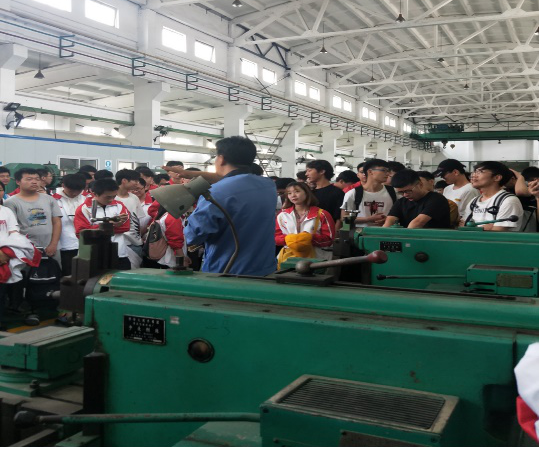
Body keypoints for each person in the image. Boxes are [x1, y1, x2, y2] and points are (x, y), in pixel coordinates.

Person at [177, 136, 277, 276]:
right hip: (265, 268)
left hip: (227, 270)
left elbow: (194, 236)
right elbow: (236, 179)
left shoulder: (214, 192)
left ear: (221, 159)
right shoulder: (268, 186)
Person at [74, 179, 131, 270]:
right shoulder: (84, 209)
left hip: (119, 253)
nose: (111, 200)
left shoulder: (119, 206)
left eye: (114, 196)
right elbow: (81, 233)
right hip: (93, 254)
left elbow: (126, 227)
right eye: (107, 197)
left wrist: (97, 228)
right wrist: (110, 225)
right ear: (95, 194)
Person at [5, 169, 63, 259]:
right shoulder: (11, 202)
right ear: (18, 182)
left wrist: (54, 244)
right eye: (29, 179)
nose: (34, 182)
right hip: (25, 249)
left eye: (37, 179)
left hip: (51, 247)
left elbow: (57, 222)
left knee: (53, 267)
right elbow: (11, 228)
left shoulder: (49, 199)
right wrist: (27, 247)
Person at [275, 182, 336, 267]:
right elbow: (276, 237)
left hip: (316, 258)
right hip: (289, 258)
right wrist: (289, 239)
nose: (293, 195)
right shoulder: (282, 215)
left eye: (297, 191)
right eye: (289, 193)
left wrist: (310, 238)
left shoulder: (322, 214)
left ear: (307, 193)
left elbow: (329, 239)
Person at [465, 161, 524, 232]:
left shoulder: (508, 201)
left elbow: (497, 232)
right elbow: (463, 226)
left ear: (497, 177)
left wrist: (475, 228)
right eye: (474, 172)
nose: (473, 176)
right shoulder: (474, 201)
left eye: (480, 172)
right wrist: (485, 227)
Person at [384, 170, 451, 229]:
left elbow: (417, 223)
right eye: (400, 192)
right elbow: (389, 221)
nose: (405, 195)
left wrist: (405, 237)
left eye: (408, 191)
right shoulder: (401, 202)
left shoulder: (437, 200)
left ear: (420, 184)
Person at [341, 159, 397, 228]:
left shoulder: (393, 192)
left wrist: (389, 220)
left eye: (388, 171)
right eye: (383, 170)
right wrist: (368, 219)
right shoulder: (353, 193)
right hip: (361, 233)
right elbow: (344, 218)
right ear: (370, 172)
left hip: (386, 233)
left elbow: (401, 215)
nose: (387, 174)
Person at [52, 174, 87, 277]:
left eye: (78, 190)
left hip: (85, 241)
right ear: (63, 185)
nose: (75, 193)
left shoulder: (87, 199)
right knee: (68, 272)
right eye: (71, 191)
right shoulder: (53, 200)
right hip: (65, 242)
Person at [115, 170, 147, 268]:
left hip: (134, 242)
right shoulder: (112, 198)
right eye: (135, 181)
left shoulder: (134, 198)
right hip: (117, 241)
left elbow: (138, 220)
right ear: (124, 181)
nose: (137, 183)